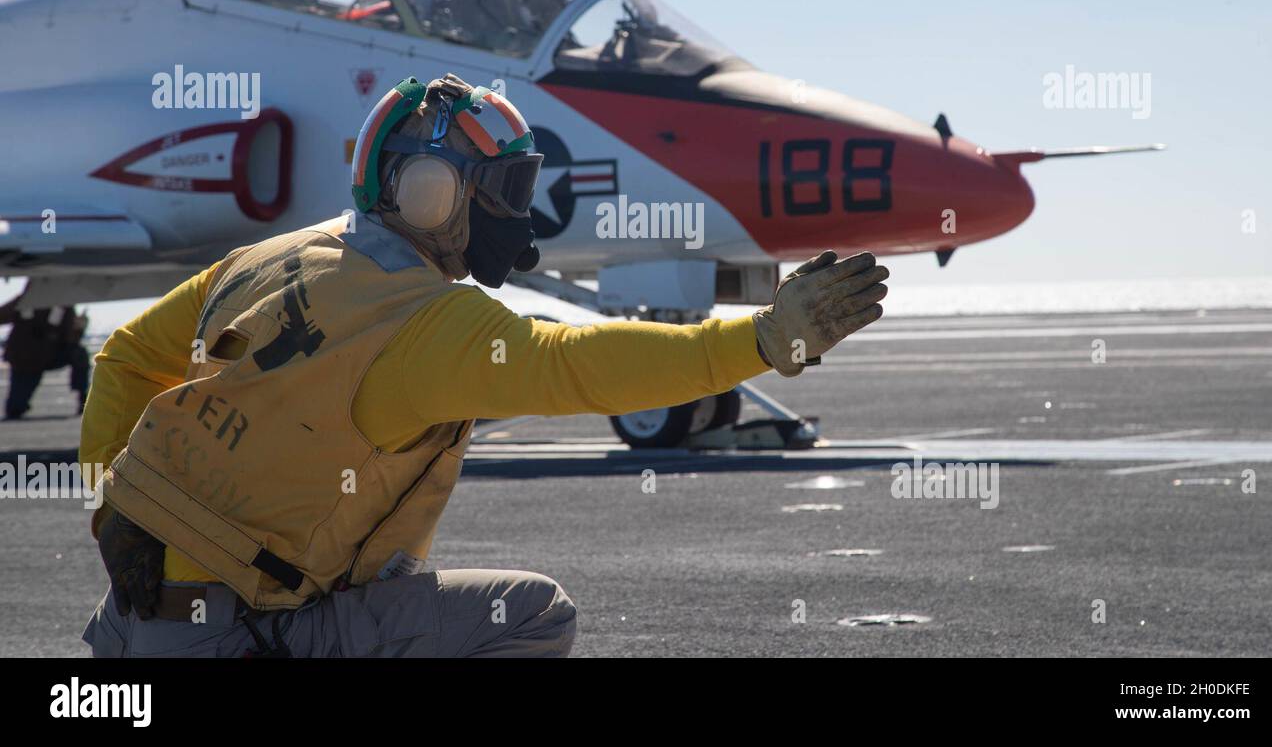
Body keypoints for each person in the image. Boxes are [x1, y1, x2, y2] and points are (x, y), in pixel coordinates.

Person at [80, 73, 890, 657]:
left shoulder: (263, 260)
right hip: (237, 640)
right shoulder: (429, 322)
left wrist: (107, 507)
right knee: (533, 615)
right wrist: (757, 342)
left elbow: (123, 359)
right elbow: (576, 363)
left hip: (126, 624)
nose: (516, 212)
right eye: (502, 188)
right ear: (430, 191)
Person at [2, 300, 89, 420]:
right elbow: (3, 315)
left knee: (78, 353)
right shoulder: (29, 299)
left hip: (49, 354)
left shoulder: (63, 303)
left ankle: (83, 398)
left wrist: (78, 328)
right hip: (25, 360)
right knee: (15, 409)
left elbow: (70, 338)